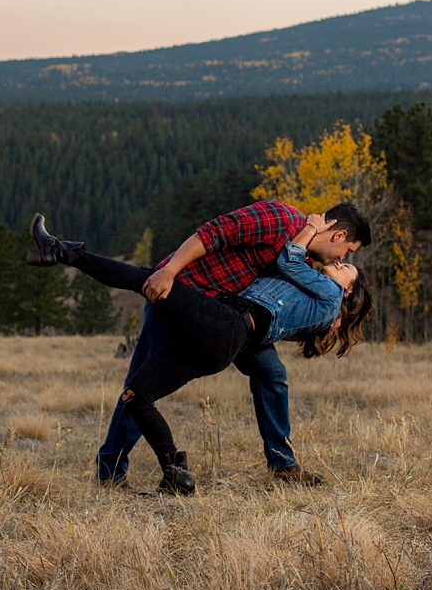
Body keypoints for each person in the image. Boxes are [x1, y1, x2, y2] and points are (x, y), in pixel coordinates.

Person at [27, 205, 374, 494]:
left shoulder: (309, 263)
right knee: (141, 383)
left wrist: (329, 322)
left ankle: (283, 465)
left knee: (273, 374)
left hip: (230, 320)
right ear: (339, 236)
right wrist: (170, 271)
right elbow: (212, 233)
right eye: (348, 253)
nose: (343, 258)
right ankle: (112, 471)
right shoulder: (282, 219)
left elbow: (282, 310)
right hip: (182, 293)